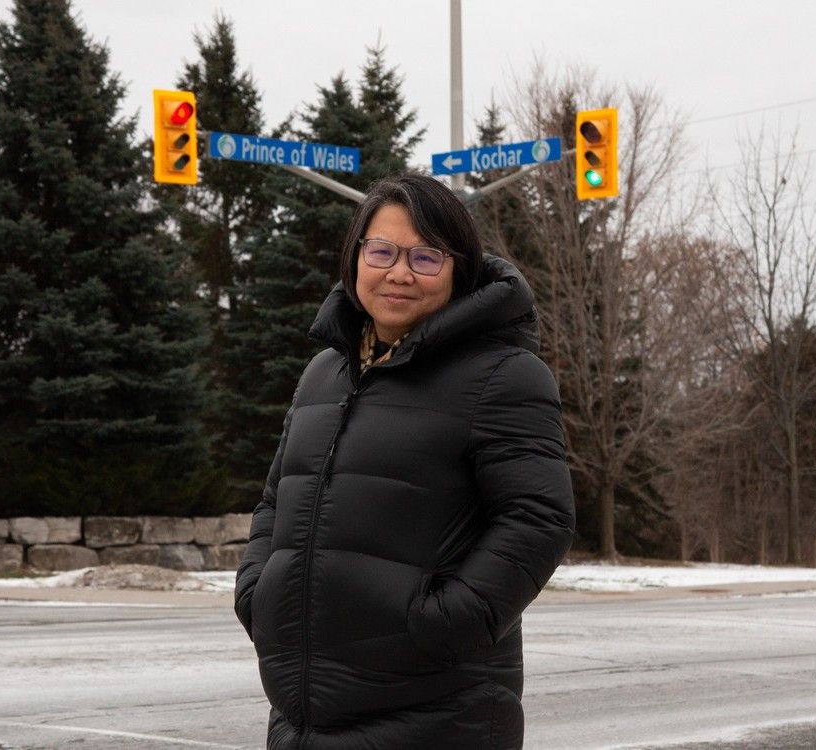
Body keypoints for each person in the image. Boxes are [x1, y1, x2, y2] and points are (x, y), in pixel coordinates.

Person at [234, 173, 575, 749]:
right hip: (303, 718)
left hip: (439, 715)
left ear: (458, 269)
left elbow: (539, 518)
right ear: (356, 256)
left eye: (425, 256)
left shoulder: (503, 374)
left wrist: (445, 623)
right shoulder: (323, 373)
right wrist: (257, 593)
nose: (399, 272)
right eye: (382, 250)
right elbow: (276, 500)